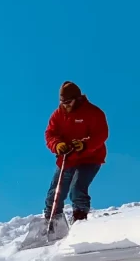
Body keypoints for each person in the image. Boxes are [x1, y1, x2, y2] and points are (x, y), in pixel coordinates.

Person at [44, 81, 109, 223]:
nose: (65, 105)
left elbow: (101, 134)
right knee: (55, 193)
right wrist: (57, 145)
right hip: (67, 158)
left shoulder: (93, 113)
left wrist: (84, 145)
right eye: (62, 102)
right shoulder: (58, 115)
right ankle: (52, 224)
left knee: (77, 189)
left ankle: (80, 221)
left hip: (90, 158)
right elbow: (50, 134)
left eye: (68, 102)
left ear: (77, 99)